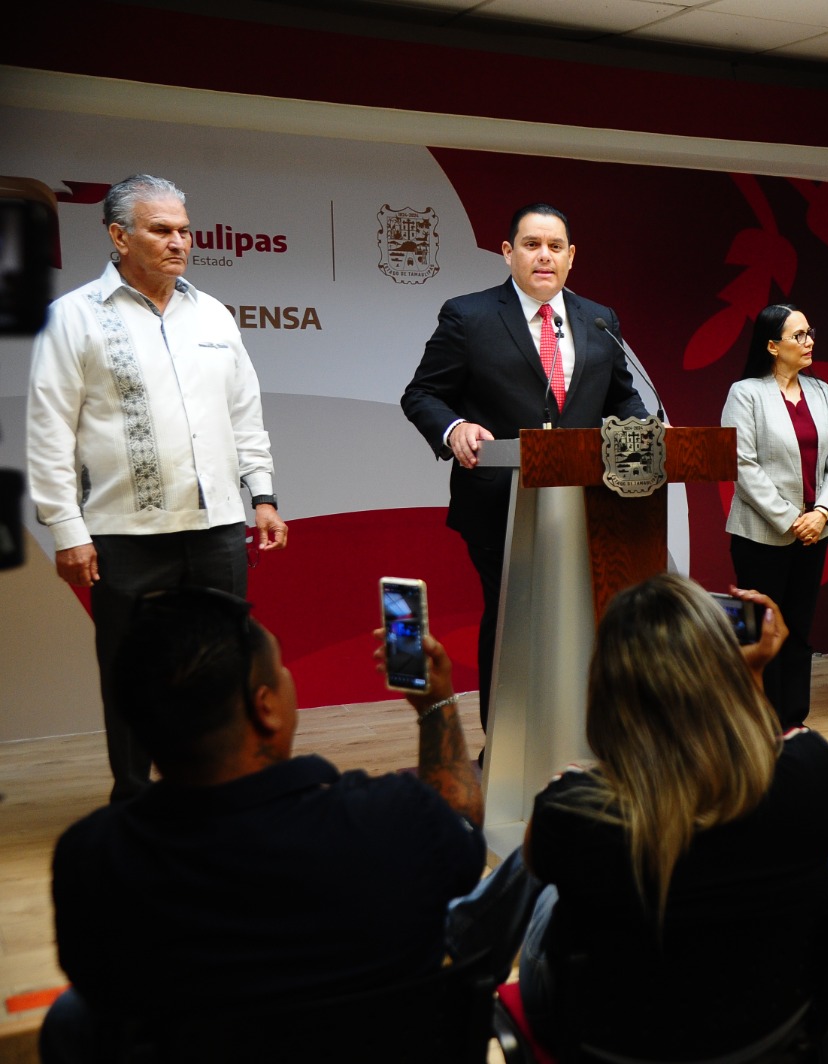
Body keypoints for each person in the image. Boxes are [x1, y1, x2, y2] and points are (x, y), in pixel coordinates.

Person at [42, 587, 485, 1061]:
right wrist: (436, 704)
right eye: (281, 669)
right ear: (265, 706)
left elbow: (102, 988)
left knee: (70, 1016)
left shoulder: (91, 859)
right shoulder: (396, 821)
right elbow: (459, 822)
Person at [26, 174, 288, 803]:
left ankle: (225, 791)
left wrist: (263, 496)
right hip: (123, 533)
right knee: (131, 671)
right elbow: (49, 430)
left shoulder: (214, 314)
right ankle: (134, 799)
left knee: (227, 660)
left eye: (185, 231)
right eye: (161, 230)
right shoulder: (73, 317)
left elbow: (244, 415)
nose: (179, 242)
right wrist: (66, 529)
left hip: (217, 527)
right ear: (119, 237)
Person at [517, 574, 828, 1060]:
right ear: (721, 676)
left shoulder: (570, 809)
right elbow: (760, 766)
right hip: (776, 1032)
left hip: (613, 1045)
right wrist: (751, 676)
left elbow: (534, 859)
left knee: (542, 886)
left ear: (608, 688)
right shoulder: (812, 771)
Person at [401, 202, 647, 735]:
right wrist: (455, 428)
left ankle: (579, 736)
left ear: (571, 256)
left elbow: (622, 398)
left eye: (555, 247)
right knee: (514, 618)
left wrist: (647, 430)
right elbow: (422, 394)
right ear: (507, 252)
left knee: (584, 619)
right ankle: (506, 746)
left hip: (590, 501)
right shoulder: (468, 316)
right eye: (532, 245)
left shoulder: (599, 319)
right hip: (501, 501)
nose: (544, 256)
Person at [721, 304, 828, 726]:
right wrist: (792, 519)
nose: (809, 342)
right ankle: (758, 723)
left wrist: (822, 512)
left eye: (810, 332)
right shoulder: (746, 393)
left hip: (814, 533)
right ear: (773, 346)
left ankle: (793, 722)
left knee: (798, 630)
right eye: (799, 336)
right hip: (762, 534)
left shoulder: (821, 391)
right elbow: (742, 464)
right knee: (761, 633)